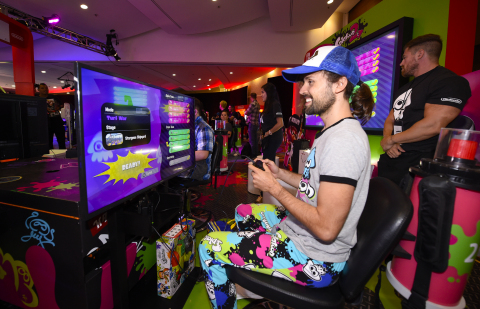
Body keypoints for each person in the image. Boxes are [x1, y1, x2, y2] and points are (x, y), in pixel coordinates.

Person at [199, 46, 375, 309]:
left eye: (311, 81)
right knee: (243, 210)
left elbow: (327, 228)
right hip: (306, 239)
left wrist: (275, 188)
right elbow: (314, 187)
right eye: (304, 81)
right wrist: (280, 174)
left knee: (207, 247)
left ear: (340, 85)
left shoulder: (344, 141)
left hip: (316, 259)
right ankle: (255, 269)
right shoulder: (333, 132)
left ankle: (253, 266)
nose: (303, 89)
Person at [378, 34, 471, 186]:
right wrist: (389, 143)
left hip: (421, 165)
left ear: (419, 54)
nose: (401, 63)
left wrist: (391, 139)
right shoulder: (404, 88)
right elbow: (391, 118)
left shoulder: (449, 81)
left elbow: (433, 125)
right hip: (393, 160)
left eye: (405, 57)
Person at [259, 83, 284, 162]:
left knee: (268, 161)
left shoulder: (275, 104)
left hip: (273, 137)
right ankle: (269, 174)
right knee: (267, 160)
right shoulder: (268, 105)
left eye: (263, 92)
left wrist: (268, 133)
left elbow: (280, 123)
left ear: (268, 92)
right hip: (268, 137)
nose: (261, 95)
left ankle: (269, 174)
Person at [38, 83, 66, 149]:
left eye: (46, 88)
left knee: (61, 141)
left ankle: (64, 157)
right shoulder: (37, 99)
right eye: (42, 88)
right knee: (48, 142)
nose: (45, 89)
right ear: (38, 89)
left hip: (57, 121)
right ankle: (49, 158)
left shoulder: (53, 97)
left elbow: (61, 105)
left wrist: (57, 107)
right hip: (45, 123)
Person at [245, 92, 260, 158]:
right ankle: (256, 153)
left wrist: (246, 112)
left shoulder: (252, 104)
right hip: (256, 124)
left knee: (252, 140)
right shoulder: (258, 104)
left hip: (252, 124)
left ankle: (253, 155)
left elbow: (247, 113)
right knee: (255, 140)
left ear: (251, 97)